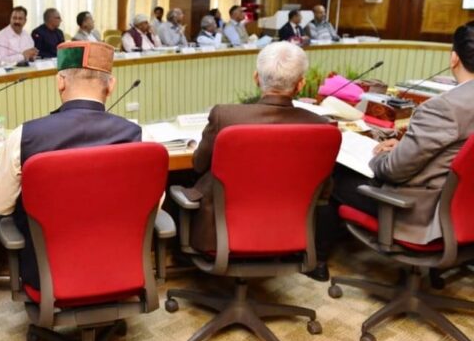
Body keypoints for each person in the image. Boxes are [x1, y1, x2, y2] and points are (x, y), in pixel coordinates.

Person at [317, 22, 474, 279]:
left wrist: (380, 156)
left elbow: (393, 171)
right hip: (465, 209)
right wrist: (407, 146)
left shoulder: (444, 108)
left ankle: (318, 264)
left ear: (454, 57)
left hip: (421, 213)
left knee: (335, 177)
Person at [0, 41, 142, 289]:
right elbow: (154, 203)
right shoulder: (137, 137)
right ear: (111, 85)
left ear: (60, 81)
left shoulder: (24, 136)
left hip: (45, 275)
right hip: (119, 269)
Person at [182, 42, 328, 256]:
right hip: (289, 234)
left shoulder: (226, 116)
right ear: (301, 85)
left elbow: (198, 165)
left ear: (256, 78)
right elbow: (324, 189)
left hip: (220, 236)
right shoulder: (321, 127)